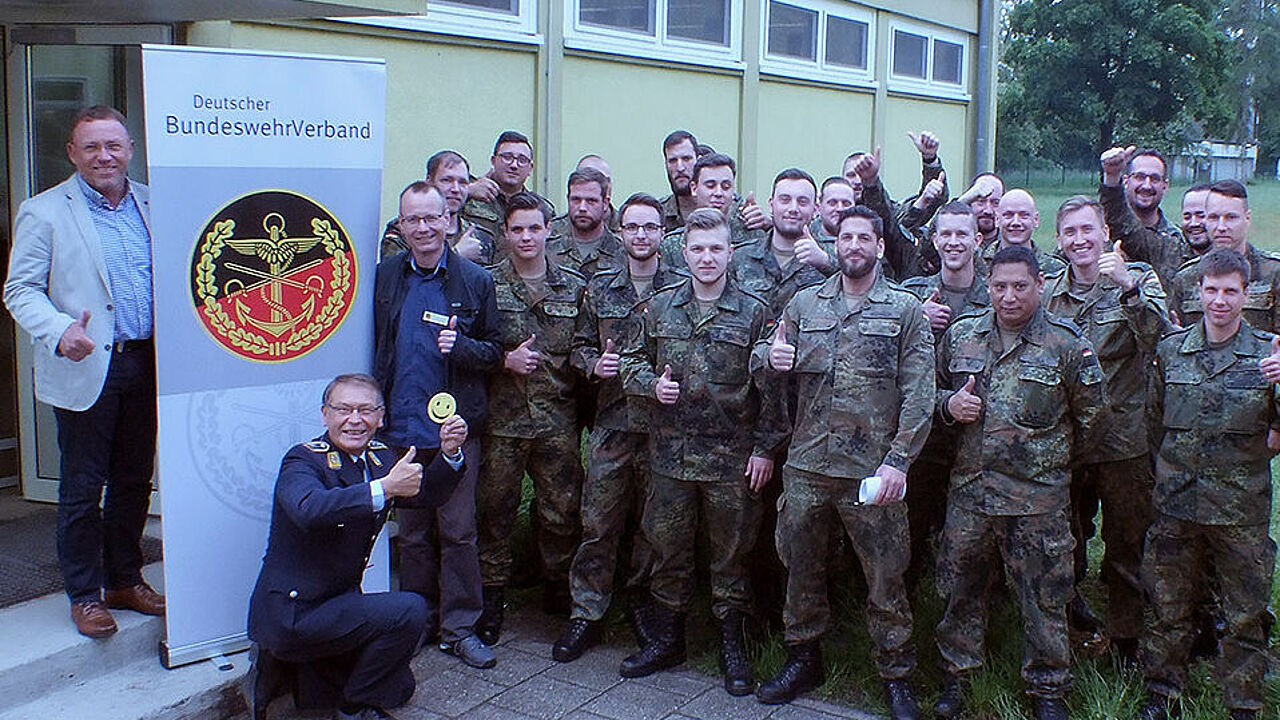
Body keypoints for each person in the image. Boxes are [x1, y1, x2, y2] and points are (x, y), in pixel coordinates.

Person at [754, 205, 934, 718]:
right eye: (845, 237)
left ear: (879, 247)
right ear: (835, 244)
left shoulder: (904, 311)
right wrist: (771, 357)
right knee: (801, 568)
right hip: (808, 465)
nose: (853, 245)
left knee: (884, 577)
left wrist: (899, 461)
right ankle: (803, 657)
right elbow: (762, 360)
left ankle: (896, 674)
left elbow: (920, 395)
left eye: (864, 238)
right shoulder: (804, 304)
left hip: (872, 472)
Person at [4, 105, 165, 638]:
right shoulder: (44, 210)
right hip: (86, 363)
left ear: (130, 150)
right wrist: (57, 331)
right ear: (72, 153)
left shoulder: (154, 202)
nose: (104, 156)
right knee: (81, 486)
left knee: (133, 481)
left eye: (113, 145)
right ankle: (85, 594)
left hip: (147, 363)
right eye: (91, 147)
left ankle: (124, 577)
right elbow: (19, 290)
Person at [932, 246, 1108, 720]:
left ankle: (1048, 688)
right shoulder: (962, 335)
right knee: (962, 588)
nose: (1008, 296)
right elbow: (926, 396)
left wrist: (1049, 466)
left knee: (1044, 596)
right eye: (999, 287)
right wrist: (950, 406)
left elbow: (1093, 423)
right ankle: (958, 674)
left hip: (1037, 500)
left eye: (1020, 286)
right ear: (988, 287)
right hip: (972, 493)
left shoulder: (1069, 345)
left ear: (1040, 285)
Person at [619, 208, 784, 695]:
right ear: (684, 253)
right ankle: (669, 639)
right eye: (698, 249)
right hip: (670, 457)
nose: (707, 257)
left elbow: (771, 390)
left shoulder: (754, 310)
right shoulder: (659, 308)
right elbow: (628, 360)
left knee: (731, 556)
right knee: (668, 549)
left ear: (730, 253)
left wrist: (765, 450)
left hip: (731, 461)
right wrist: (652, 386)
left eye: (716, 248)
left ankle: (732, 644)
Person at [244, 373, 468, 720]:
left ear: (381, 418)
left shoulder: (380, 456)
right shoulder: (303, 460)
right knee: (409, 609)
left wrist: (449, 454)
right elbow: (309, 509)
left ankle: (309, 677)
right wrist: (384, 488)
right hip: (293, 613)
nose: (354, 420)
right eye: (343, 409)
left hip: (337, 603)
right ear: (325, 414)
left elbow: (425, 494)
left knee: (399, 687)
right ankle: (350, 709)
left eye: (366, 410)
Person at [1139, 248, 1280, 720]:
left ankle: (1243, 703)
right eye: (1211, 290)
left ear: (1246, 295)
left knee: (1245, 616)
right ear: (1198, 293)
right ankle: (1163, 692)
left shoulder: (1269, 356)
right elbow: (1153, 423)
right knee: (1167, 607)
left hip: (1240, 511)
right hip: (1176, 505)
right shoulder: (1170, 351)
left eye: (1230, 291)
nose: (1220, 301)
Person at [372, 182, 503, 669]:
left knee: (459, 532)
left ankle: (461, 627)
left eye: (433, 218)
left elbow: (495, 352)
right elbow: (377, 347)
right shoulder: (386, 277)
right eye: (413, 220)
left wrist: (461, 347)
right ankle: (418, 618)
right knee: (412, 535)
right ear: (400, 225)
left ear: (450, 220)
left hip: (453, 434)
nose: (424, 228)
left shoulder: (475, 281)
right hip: (401, 432)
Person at [1042, 196, 1169, 662]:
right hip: (1066, 441)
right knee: (1064, 539)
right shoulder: (1050, 291)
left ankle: (1126, 641)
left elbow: (1160, 339)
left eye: (1088, 230)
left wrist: (1127, 286)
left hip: (1122, 440)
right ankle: (1069, 628)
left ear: (1104, 233)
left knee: (1125, 545)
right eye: (1070, 232)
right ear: (1058, 240)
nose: (1080, 240)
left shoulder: (1138, 280)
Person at [553, 193, 677, 662]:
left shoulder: (682, 288)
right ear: (620, 232)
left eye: (650, 227)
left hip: (665, 430)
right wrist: (594, 364)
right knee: (598, 523)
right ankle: (586, 611)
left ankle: (642, 607)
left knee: (654, 526)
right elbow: (578, 347)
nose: (641, 235)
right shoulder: (600, 288)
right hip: (613, 425)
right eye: (632, 227)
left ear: (663, 234)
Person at [475, 192, 587, 643]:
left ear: (549, 231)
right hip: (502, 420)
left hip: (556, 419)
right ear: (505, 233)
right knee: (495, 510)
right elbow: (468, 346)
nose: (526, 237)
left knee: (561, 509)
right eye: (517, 229)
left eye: (534, 228)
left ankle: (557, 587)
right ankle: (491, 598)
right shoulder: (484, 283)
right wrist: (503, 361)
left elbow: (582, 347)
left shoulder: (573, 285)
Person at [900, 202, 989, 585]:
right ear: (934, 241)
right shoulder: (911, 295)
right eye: (946, 234)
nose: (954, 242)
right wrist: (915, 319)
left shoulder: (997, 294)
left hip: (978, 437)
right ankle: (910, 594)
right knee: (915, 522)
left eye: (962, 234)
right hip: (924, 434)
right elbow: (887, 364)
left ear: (978, 239)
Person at [1169, 180, 1280, 333]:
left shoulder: (1274, 272)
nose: (1221, 227)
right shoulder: (1186, 277)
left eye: (1231, 217)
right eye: (1214, 217)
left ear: (1247, 218)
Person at [843, 131, 949, 279]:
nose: (858, 179)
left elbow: (924, 208)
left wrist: (930, 160)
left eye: (862, 172)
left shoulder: (890, 211)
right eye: (851, 175)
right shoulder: (829, 216)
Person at [1097, 146, 1193, 288]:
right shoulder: (1095, 233)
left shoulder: (1177, 241)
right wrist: (1111, 176)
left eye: (1155, 179)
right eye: (1140, 177)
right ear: (1126, 181)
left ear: (1165, 186)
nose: (1147, 185)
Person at [378, 151, 496, 264]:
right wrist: (457, 255)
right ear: (429, 182)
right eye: (447, 180)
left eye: (463, 182)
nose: (455, 189)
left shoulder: (480, 236)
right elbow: (396, 278)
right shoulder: (407, 229)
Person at [658, 153, 766, 270]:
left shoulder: (754, 237)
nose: (718, 193)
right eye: (710, 186)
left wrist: (770, 224)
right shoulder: (671, 246)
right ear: (694, 188)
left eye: (726, 186)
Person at [460, 130, 555, 242]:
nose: (514, 165)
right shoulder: (468, 194)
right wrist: (466, 192)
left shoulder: (543, 208)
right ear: (493, 161)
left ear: (530, 168)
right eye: (507, 157)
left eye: (522, 160)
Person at [546, 167, 624, 277]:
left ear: (605, 203)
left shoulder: (622, 253)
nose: (582, 208)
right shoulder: (547, 249)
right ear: (568, 199)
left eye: (591, 201)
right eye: (576, 200)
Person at [975, 188, 1065, 276]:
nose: (1016, 222)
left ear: (1036, 220)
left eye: (1024, 216)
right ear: (997, 219)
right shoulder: (977, 265)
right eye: (1008, 215)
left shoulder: (1055, 269)